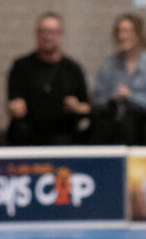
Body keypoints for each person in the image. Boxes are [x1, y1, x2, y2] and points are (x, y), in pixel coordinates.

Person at [5, 12, 91, 146]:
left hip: (63, 133)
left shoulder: (72, 69)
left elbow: (87, 107)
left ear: (61, 34)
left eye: (51, 32)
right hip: (29, 133)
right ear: (36, 34)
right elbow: (12, 102)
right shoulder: (21, 67)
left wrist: (77, 107)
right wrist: (14, 107)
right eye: (42, 32)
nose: (47, 36)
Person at [90, 13, 146, 145]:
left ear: (138, 34)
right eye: (120, 31)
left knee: (129, 119)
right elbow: (97, 98)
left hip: (144, 123)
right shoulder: (109, 65)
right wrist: (111, 98)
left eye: (127, 31)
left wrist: (130, 96)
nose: (123, 36)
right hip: (113, 122)